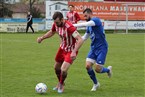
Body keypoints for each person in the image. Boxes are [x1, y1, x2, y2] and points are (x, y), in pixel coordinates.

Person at [37, 12, 83, 93]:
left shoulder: (69, 27)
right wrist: (42, 38)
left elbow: (80, 39)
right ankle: (60, 82)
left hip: (71, 51)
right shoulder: (55, 24)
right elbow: (52, 32)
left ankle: (61, 85)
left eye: (57, 22)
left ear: (62, 19)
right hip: (62, 49)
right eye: (55, 22)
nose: (56, 24)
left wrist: (74, 52)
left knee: (63, 69)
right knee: (56, 68)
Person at [72, 8, 113, 91]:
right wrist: (77, 40)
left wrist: (73, 25)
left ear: (90, 14)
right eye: (84, 16)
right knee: (87, 66)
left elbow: (87, 23)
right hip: (93, 48)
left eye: (86, 16)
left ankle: (108, 70)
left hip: (102, 48)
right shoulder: (89, 27)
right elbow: (84, 37)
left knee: (98, 69)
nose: (85, 17)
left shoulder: (96, 20)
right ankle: (96, 84)